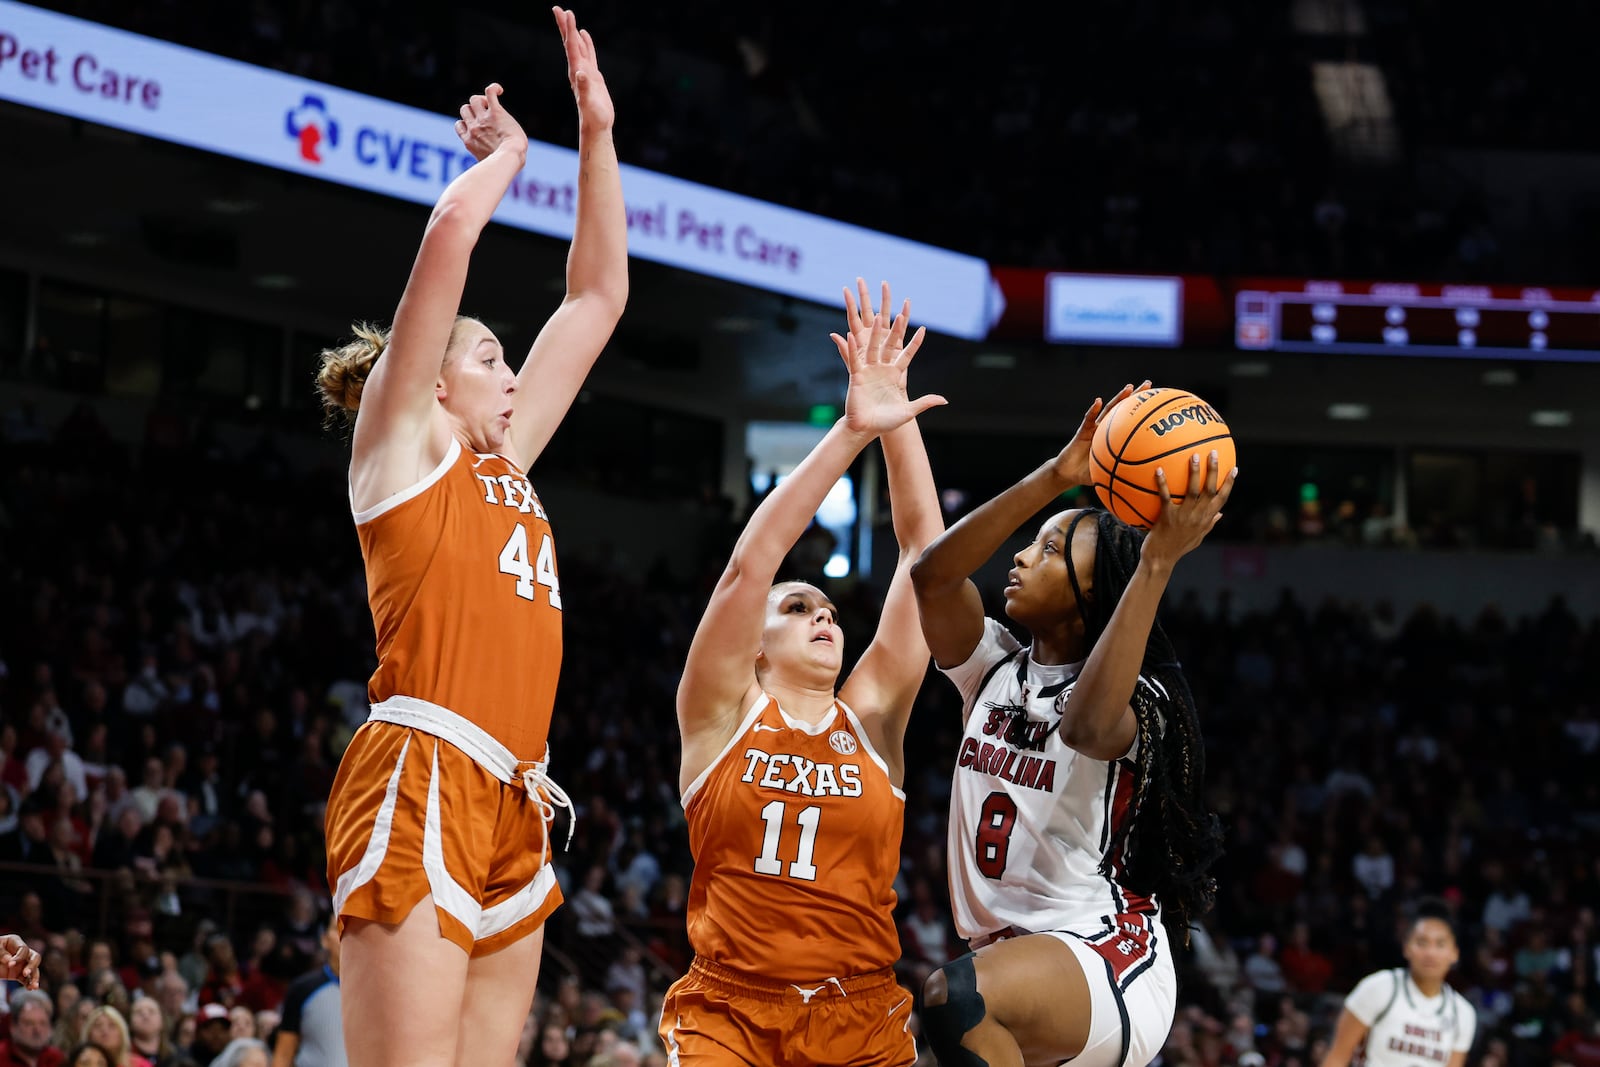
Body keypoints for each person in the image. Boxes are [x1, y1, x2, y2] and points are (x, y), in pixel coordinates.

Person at [314, 8, 626, 1067]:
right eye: (490, 357)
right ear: (433, 380)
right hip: (422, 764)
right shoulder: (402, 448)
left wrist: (596, 134)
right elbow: (449, 236)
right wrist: (512, 159)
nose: (509, 374)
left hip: (516, 792)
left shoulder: (504, 463)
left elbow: (596, 296)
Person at [658, 281, 945, 1066]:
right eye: (798, 607)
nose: (824, 615)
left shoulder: (873, 716)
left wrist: (895, 419)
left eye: (828, 609)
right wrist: (849, 434)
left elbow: (927, 562)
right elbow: (749, 568)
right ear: (754, 643)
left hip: (860, 1014)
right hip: (730, 1012)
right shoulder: (720, 710)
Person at [910, 383, 1234, 1067]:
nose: (1023, 557)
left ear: (1096, 592)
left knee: (954, 1000)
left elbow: (1086, 726)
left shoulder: (1142, 700)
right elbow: (932, 578)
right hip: (1016, 961)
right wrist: (1057, 475)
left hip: (1104, 950)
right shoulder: (992, 669)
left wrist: (1155, 562)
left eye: (1052, 550)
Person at [1318, 897, 1477, 1067]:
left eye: (1440, 944)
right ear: (1406, 947)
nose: (1430, 953)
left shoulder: (1463, 1013)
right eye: (1422, 943)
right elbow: (1337, 1058)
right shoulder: (1378, 988)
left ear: (1454, 953)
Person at [271, 916, 344, 1067]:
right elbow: (283, 1055)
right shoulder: (302, 989)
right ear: (324, 940)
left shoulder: (376, 993)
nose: (344, 935)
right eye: (338, 928)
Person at [1, 989, 65, 1067]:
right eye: (29, 1023)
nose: (37, 1030)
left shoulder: (58, 1059)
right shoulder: (2, 1056)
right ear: (13, 1026)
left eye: (43, 1023)